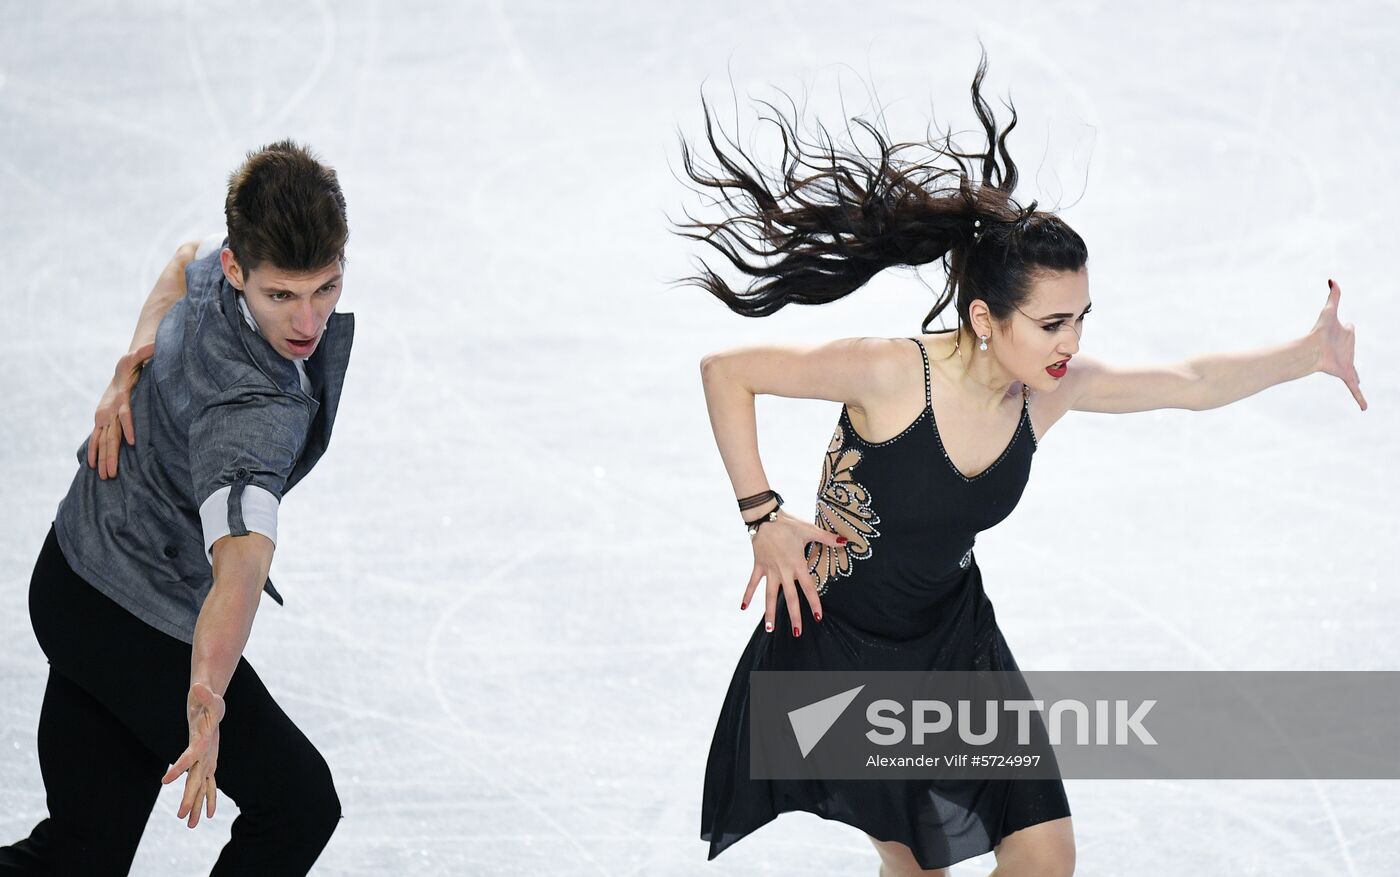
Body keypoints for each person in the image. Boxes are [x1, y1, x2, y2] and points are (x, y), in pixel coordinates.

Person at [681, 50, 1365, 877]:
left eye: (1080, 317)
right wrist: (763, 517)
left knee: (1047, 856)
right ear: (984, 317)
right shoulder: (892, 373)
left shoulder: (1049, 392)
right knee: (919, 870)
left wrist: (1307, 352)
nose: (1071, 343)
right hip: (847, 653)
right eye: (1051, 324)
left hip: (957, 640)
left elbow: (1190, 383)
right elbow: (729, 372)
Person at [0, 139, 356, 876]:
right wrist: (206, 698)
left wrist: (128, 363)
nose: (308, 320)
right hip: (132, 617)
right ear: (240, 270)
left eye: (323, 287)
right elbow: (241, 567)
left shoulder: (214, 272)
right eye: (281, 295)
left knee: (76, 857)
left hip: (70, 579)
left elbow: (178, 261)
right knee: (298, 804)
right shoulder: (254, 410)